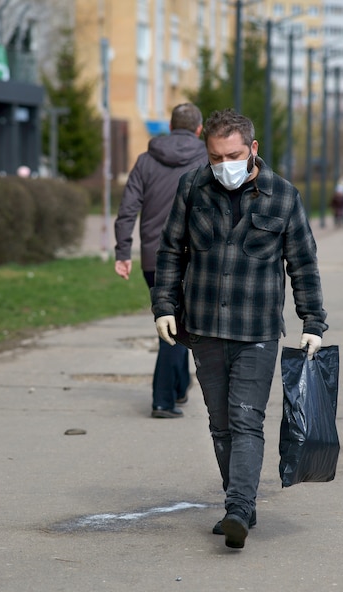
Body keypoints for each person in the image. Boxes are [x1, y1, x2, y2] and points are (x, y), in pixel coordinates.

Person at [151, 109, 328, 549]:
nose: (224, 165)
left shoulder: (283, 196)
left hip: (257, 329)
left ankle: (237, 508)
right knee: (219, 424)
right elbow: (171, 250)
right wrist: (164, 305)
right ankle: (242, 505)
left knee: (246, 419)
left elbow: (303, 262)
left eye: (232, 154)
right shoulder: (192, 187)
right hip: (205, 327)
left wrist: (313, 321)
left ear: (252, 149)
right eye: (215, 156)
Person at [114, 103, 207, 418]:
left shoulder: (144, 161)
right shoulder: (207, 159)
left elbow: (128, 209)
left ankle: (179, 388)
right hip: (192, 256)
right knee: (176, 323)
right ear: (199, 129)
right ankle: (163, 399)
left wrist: (123, 252)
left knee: (175, 320)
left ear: (170, 127)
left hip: (153, 259)